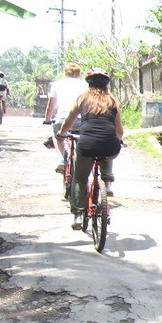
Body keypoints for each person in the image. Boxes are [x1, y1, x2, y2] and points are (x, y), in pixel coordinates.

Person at [60, 68, 123, 229]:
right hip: (110, 146)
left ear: (89, 83)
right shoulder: (113, 101)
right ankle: (107, 182)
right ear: (107, 84)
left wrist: (61, 133)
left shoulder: (83, 99)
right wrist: (117, 140)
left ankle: (77, 216)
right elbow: (119, 131)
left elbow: (69, 121)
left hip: (87, 145)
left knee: (80, 178)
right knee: (108, 148)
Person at [44, 63, 86, 172]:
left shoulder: (57, 84)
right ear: (79, 74)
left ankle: (61, 159)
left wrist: (47, 119)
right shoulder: (85, 85)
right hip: (82, 120)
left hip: (62, 119)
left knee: (57, 135)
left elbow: (51, 105)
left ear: (65, 73)